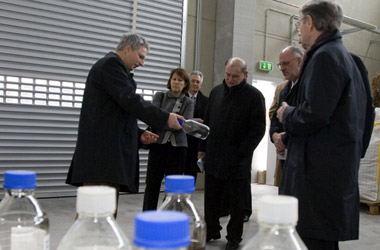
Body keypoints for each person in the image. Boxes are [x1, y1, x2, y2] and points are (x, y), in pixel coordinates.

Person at [276, 1, 375, 249]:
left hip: (316, 178)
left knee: (314, 241)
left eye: (300, 22)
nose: (298, 28)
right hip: (332, 172)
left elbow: (314, 115)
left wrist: (287, 113)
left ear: (310, 22)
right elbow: (357, 116)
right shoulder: (349, 59)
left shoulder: (324, 57)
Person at [66, 32, 183, 216]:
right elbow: (130, 100)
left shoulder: (117, 69)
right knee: (93, 217)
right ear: (128, 48)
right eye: (141, 57)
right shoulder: (110, 65)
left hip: (107, 160)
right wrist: (165, 118)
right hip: (101, 160)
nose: (142, 63)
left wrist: (139, 134)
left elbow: (115, 114)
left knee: (104, 215)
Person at [199, 57, 266, 250]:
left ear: (245, 75)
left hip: (238, 159)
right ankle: (211, 230)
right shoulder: (216, 92)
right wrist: (202, 149)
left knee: (237, 201)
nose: (229, 79)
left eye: (235, 76)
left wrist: (242, 153)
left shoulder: (254, 96)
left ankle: (234, 237)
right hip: (214, 155)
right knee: (211, 197)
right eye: (227, 75)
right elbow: (207, 124)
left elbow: (257, 130)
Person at [142, 68, 194, 211]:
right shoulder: (160, 96)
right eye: (174, 79)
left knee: (173, 187)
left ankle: (167, 215)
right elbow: (153, 117)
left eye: (180, 80)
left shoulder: (189, 101)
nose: (176, 82)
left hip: (178, 149)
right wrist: (170, 120)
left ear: (185, 84)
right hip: (158, 146)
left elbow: (184, 125)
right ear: (169, 81)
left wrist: (164, 119)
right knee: (152, 183)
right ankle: (148, 214)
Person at [269, 46, 304, 187]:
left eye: (286, 63)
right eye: (280, 64)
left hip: (300, 155)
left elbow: (305, 119)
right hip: (284, 154)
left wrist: (284, 139)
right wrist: (275, 136)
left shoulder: (307, 87)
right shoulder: (284, 89)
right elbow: (274, 117)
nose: (282, 68)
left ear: (299, 61)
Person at [184, 70, 209, 181]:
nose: (195, 84)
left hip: (196, 144)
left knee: (191, 176)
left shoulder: (207, 101)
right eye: (192, 81)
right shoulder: (181, 97)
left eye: (197, 82)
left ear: (201, 84)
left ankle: (188, 197)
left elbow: (207, 124)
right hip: (181, 141)